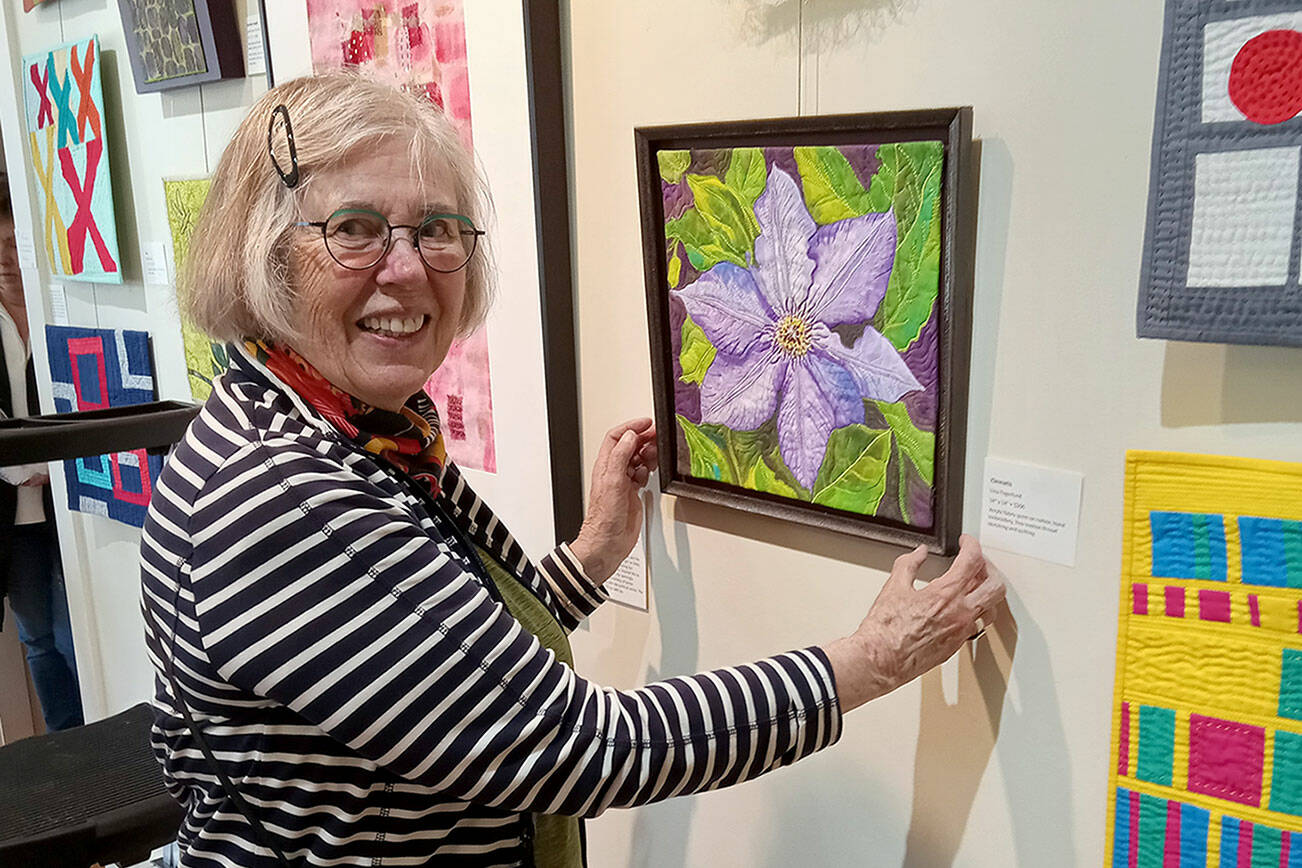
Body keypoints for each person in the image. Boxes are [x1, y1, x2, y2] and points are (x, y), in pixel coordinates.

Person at [141, 73, 1005, 868]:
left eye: (436, 229)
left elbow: (446, 663)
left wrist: (591, 557)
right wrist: (871, 660)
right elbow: (578, 748)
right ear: (263, 256)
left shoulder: (355, 430)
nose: (406, 269)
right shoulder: (282, 493)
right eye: (354, 229)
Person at [0, 173, 83, 732]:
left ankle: (99, 740)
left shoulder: (64, 307)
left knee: (80, 634)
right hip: (11, 517)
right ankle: (63, 745)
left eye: (13, 244)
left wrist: (52, 463)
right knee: (38, 638)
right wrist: (22, 466)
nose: (5, 261)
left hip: (70, 503)